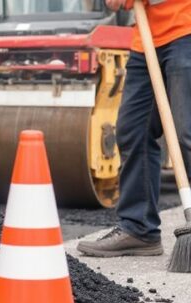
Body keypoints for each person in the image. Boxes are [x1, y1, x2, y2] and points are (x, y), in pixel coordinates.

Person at [78, 0, 191, 257]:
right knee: (133, 130)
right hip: (146, 39)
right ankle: (139, 229)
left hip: (186, 31)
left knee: (187, 133)